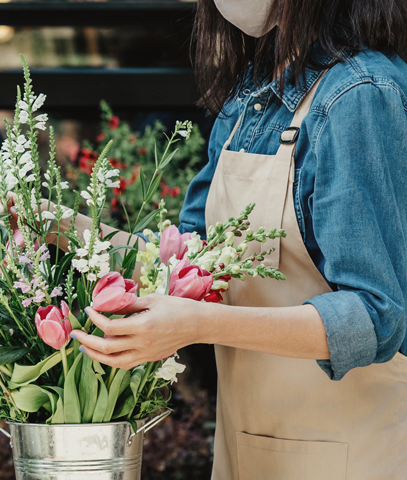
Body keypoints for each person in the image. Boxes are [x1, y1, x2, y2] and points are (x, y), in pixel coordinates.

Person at [69, 0, 407, 478]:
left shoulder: (359, 95)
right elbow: (186, 267)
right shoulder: (251, 96)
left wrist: (198, 324)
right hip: (250, 447)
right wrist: (58, 227)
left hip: (351, 455)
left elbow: (375, 316)